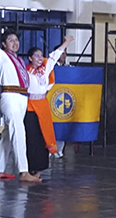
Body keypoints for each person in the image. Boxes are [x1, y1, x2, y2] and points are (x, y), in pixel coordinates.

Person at [24, 37, 72, 178]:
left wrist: (67, 42)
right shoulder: (25, 71)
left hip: (43, 106)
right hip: (30, 107)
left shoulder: (45, 70)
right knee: (31, 137)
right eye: (36, 55)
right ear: (30, 58)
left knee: (42, 136)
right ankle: (28, 168)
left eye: (41, 55)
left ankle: (39, 168)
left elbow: (55, 55)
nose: (40, 58)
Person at [0, 31, 41, 183]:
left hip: (22, 97)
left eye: (16, 40)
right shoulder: (2, 55)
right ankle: (23, 171)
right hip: (10, 95)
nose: (14, 43)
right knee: (18, 131)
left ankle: (0, 168)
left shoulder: (18, 60)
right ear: (4, 44)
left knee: (7, 136)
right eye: (10, 40)